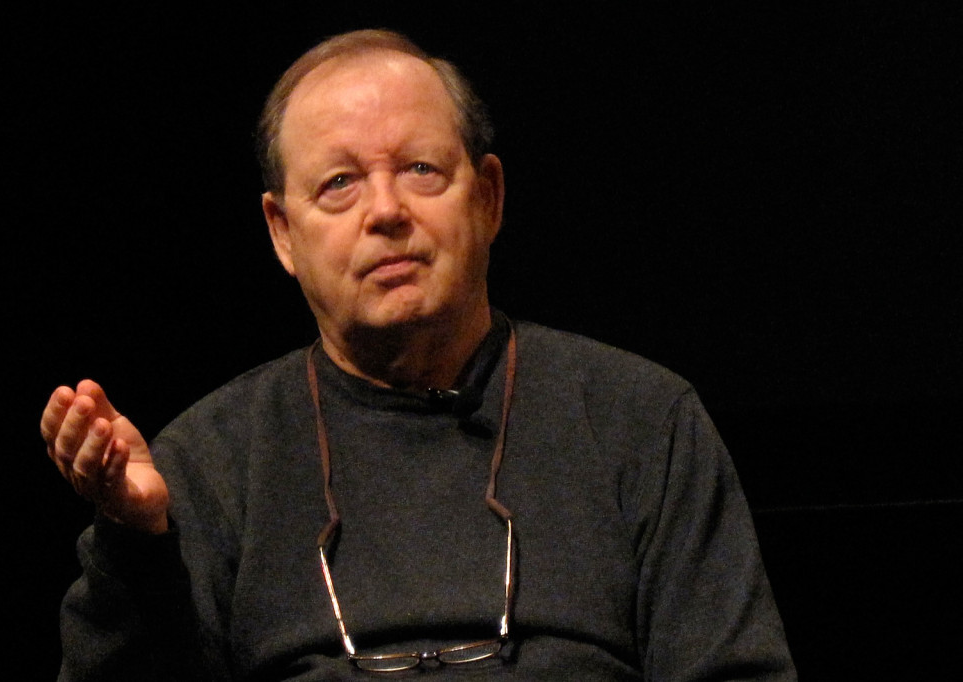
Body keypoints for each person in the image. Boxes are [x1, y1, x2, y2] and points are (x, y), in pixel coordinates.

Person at [42, 29, 796, 681]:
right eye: (340, 183)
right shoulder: (210, 462)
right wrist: (133, 547)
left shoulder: (643, 422)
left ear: (488, 197)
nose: (386, 211)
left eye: (420, 170)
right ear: (282, 233)